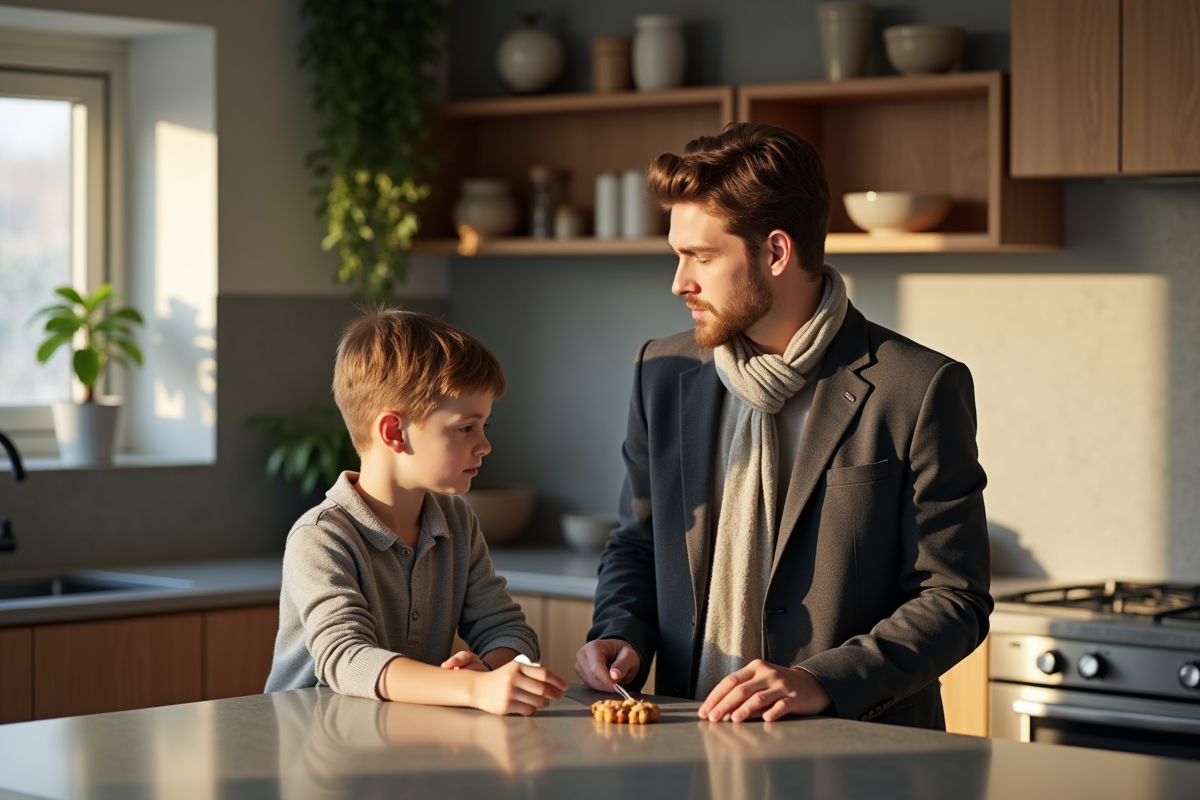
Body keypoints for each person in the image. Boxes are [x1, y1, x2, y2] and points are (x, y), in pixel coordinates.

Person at [574, 123, 992, 728]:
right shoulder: (661, 373)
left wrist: (821, 681)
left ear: (775, 251)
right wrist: (620, 632)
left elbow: (954, 598)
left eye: (703, 256)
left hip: (856, 759)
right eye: (677, 254)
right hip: (688, 746)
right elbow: (638, 545)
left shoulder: (917, 387)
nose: (679, 282)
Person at [266, 309, 567, 715]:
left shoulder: (457, 522)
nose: (485, 445)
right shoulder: (320, 536)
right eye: (466, 427)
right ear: (394, 432)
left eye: (485, 427)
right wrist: (471, 691)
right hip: (321, 755)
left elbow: (510, 631)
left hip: (404, 740)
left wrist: (486, 670)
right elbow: (346, 658)